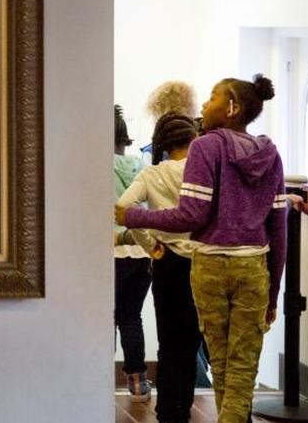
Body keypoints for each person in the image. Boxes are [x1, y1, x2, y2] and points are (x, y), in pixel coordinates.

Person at [117, 74, 288, 423]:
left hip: (209, 264)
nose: (205, 106)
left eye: (212, 98)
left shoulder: (205, 148)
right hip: (253, 265)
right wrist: (273, 292)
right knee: (241, 366)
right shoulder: (270, 154)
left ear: (232, 107)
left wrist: (132, 216)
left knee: (222, 361)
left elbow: (192, 214)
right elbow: (278, 227)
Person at [116, 113, 201, 423]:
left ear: (162, 142)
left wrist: (149, 243)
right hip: (200, 262)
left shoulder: (152, 174)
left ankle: (168, 412)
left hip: (166, 261)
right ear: (194, 140)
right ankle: (185, 405)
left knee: (169, 340)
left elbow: (124, 207)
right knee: (191, 340)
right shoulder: (200, 173)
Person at [112, 104, 151, 403]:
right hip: (143, 251)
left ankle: (97, 377)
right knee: (131, 316)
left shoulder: (97, 166)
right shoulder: (143, 167)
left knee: (102, 318)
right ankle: (138, 382)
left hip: (110, 251)